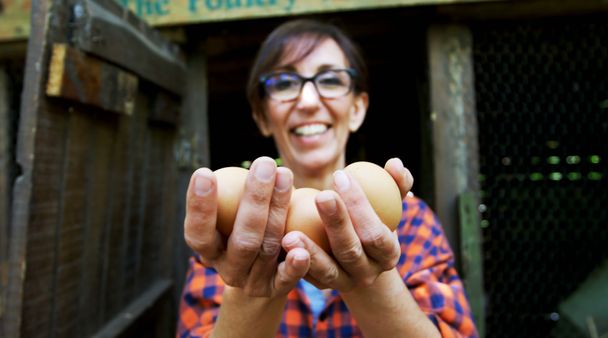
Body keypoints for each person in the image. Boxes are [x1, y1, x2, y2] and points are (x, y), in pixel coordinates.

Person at [177, 18, 478, 338]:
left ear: (358, 108)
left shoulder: (411, 222)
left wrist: (373, 284)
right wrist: (250, 289)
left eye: (331, 80)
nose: (308, 102)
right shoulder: (232, 234)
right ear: (262, 116)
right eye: (284, 82)